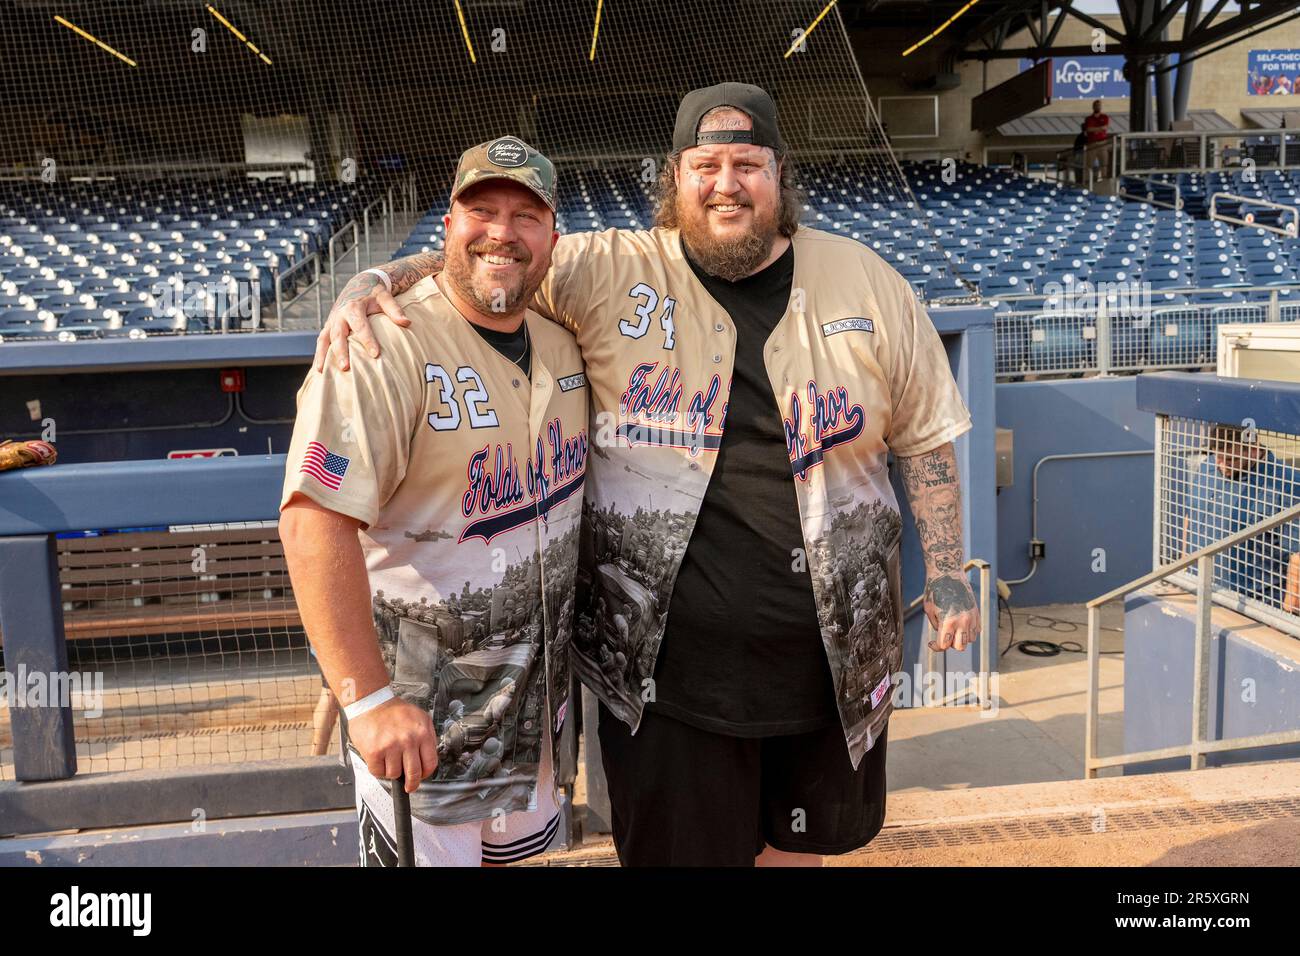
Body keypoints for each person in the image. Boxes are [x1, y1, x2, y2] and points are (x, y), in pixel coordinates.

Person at [315, 83, 980, 867]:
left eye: (747, 164)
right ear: (674, 176)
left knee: (803, 856)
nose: (725, 183)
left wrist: (948, 572)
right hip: (665, 684)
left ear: (780, 174)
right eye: (705, 164)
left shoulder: (867, 280)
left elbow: (927, 438)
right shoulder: (610, 269)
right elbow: (498, 256)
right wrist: (376, 281)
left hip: (829, 667)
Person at [279, 137, 587, 867]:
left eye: (525, 215)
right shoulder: (382, 346)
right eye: (480, 210)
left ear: (552, 236)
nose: (502, 232)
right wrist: (364, 700)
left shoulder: (566, 340)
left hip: (537, 731)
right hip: (423, 735)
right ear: (446, 225)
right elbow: (312, 520)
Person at [1181, 423, 1300, 610]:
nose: (1221, 465)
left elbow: (1297, 555)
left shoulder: (1288, 483)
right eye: (1217, 457)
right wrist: (1183, 567)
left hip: (1253, 602)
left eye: (1229, 460)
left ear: (1253, 450)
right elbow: (1191, 514)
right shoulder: (1209, 466)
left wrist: (1287, 611)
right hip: (1198, 585)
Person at [1083, 99, 1111, 180]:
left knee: (1104, 163)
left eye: (1099, 105)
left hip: (1102, 143)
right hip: (1091, 143)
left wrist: (1094, 129)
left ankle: (1104, 179)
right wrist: (1099, 129)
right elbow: (1088, 129)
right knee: (1089, 164)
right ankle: (1088, 180)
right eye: (1096, 105)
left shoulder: (1104, 117)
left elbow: (1105, 127)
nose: (1097, 107)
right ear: (1093, 107)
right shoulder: (1089, 118)